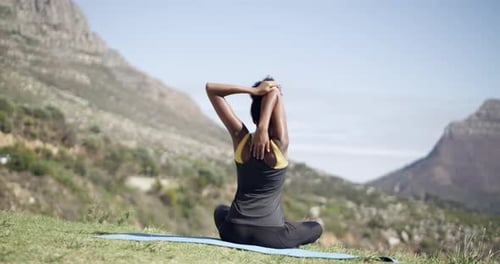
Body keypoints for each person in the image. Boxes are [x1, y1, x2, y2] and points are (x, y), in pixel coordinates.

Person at [206, 77, 323, 248]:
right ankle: (283, 235)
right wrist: (263, 128)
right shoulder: (280, 144)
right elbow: (275, 90)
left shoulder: (241, 138)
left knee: (220, 211)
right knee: (315, 227)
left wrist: (254, 91)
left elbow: (211, 88)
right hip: (270, 236)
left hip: (233, 232)